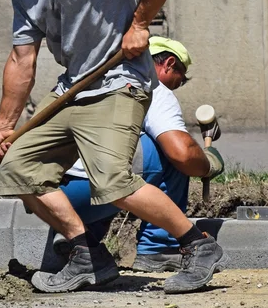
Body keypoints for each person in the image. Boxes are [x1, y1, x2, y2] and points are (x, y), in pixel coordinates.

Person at [0, 0, 229, 294]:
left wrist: (141, 24)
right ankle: (86, 254)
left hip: (120, 80)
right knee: (17, 164)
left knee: (111, 179)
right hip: (72, 86)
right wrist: (4, 127)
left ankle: (197, 246)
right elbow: (21, 59)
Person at [50, 36, 225, 274]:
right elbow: (182, 154)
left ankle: (82, 241)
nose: (177, 85)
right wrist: (207, 163)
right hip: (89, 192)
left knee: (115, 152)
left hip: (49, 197)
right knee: (165, 153)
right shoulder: (151, 87)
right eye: (180, 80)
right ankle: (159, 247)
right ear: (169, 64)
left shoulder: (92, 78)